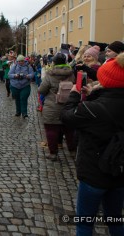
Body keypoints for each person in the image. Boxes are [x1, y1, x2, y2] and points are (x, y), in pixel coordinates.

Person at [61, 52, 124, 235]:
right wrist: (94, 95)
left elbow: (67, 117)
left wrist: (74, 95)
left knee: (85, 222)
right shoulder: (97, 104)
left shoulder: (94, 108)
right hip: (120, 173)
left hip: (94, 174)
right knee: (115, 220)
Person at [38, 53, 76, 161]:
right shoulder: (71, 73)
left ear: (53, 62)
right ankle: (73, 151)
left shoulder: (50, 74)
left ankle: (53, 153)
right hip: (69, 105)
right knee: (69, 130)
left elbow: (41, 90)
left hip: (52, 106)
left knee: (51, 130)